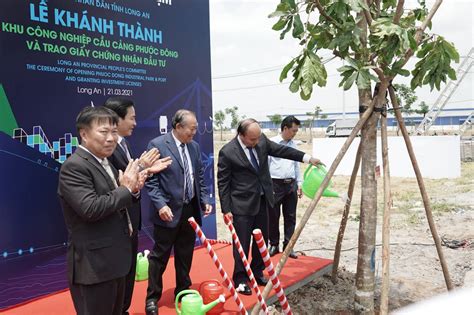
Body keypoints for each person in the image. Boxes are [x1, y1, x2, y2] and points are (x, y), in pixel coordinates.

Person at [58, 106, 148, 315]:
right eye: (103, 132)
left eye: (114, 132)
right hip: (95, 267)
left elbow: (115, 201)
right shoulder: (75, 167)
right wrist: (125, 189)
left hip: (115, 261)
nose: (111, 138)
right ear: (84, 134)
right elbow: (90, 208)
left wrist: (133, 190)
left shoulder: (104, 162)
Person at [217, 118, 322, 295]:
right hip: (241, 205)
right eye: (252, 139)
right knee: (241, 244)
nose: (256, 142)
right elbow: (223, 183)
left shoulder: (262, 140)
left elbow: (282, 150)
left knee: (262, 241)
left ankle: (257, 272)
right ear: (241, 135)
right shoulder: (227, 152)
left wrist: (307, 158)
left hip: (263, 200)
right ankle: (241, 279)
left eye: (258, 138)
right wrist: (226, 209)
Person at [104, 97, 172, 315]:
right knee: (118, 278)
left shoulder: (124, 144)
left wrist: (148, 170)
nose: (135, 123)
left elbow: (130, 178)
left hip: (131, 222)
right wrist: (144, 167)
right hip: (118, 222)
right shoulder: (109, 150)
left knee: (129, 274)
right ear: (116, 120)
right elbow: (118, 182)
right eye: (131, 118)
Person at [144, 109, 212, 315]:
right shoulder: (157, 145)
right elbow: (151, 180)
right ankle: (152, 298)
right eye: (191, 129)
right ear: (178, 127)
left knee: (185, 253)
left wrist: (204, 200)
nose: (194, 132)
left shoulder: (194, 146)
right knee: (160, 256)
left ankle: (183, 289)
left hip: (189, 209)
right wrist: (160, 205)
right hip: (167, 211)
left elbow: (198, 176)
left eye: (195, 129)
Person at [268, 116, 303, 259]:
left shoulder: (294, 145)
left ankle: (289, 246)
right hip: (275, 184)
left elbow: (296, 165)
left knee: (290, 216)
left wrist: (299, 183)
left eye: (296, 131)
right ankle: (274, 244)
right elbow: (265, 164)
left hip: (291, 185)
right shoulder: (272, 143)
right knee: (273, 215)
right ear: (285, 128)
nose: (295, 133)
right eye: (293, 130)